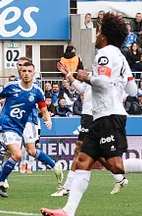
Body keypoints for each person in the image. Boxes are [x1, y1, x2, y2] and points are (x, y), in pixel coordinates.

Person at [40, 13, 142, 216]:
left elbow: (101, 82)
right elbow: (132, 89)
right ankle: (68, 211)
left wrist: (85, 77)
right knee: (83, 161)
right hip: (105, 114)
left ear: (105, 35)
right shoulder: (121, 57)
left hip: (108, 114)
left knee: (116, 165)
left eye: (99, 31)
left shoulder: (105, 53)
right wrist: (112, 83)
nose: (97, 35)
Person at [0, 61, 63, 198]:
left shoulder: (37, 91)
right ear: (20, 73)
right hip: (6, 125)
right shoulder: (11, 86)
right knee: (18, 155)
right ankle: (1, 182)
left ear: (34, 73)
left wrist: (48, 119)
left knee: (13, 157)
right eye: (24, 71)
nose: (26, 74)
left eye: (29, 71)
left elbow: (43, 109)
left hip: (20, 128)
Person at [52, 60, 130, 196]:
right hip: (89, 115)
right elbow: (81, 88)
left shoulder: (109, 80)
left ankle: (68, 187)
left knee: (80, 149)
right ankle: (119, 178)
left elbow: (122, 96)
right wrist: (69, 74)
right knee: (96, 152)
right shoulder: (94, 76)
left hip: (93, 116)